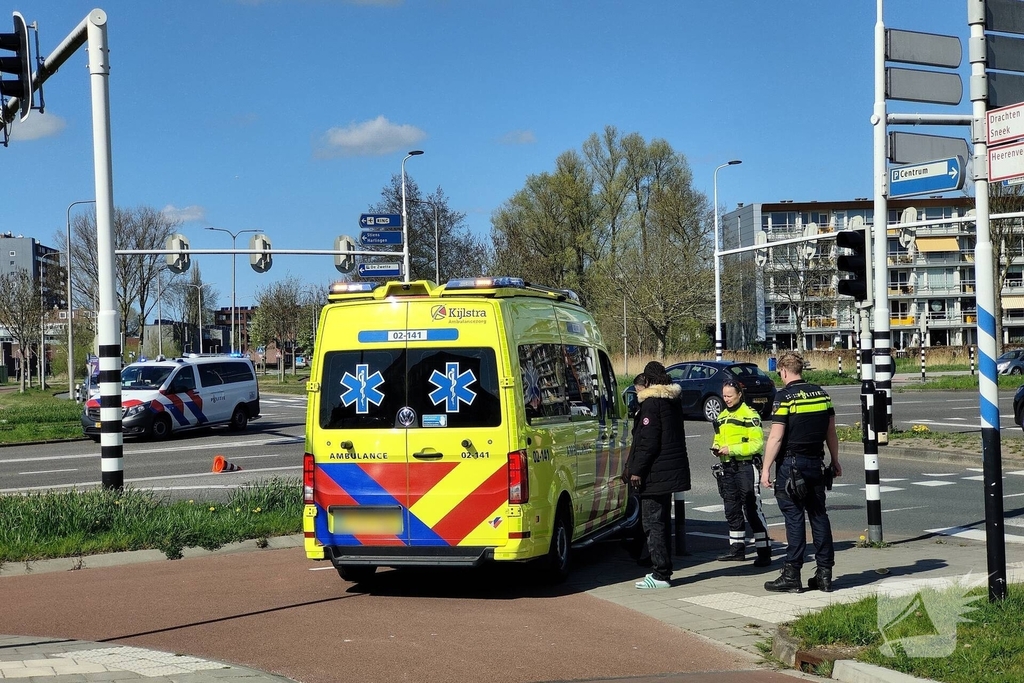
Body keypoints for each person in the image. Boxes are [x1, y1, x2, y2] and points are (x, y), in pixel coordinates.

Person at [760, 353, 842, 593]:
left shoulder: (784, 397)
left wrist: (765, 469)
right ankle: (825, 574)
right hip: (816, 463)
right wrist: (835, 461)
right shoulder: (822, 394)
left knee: (794, 519)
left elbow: (776, 436)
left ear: (784, 371)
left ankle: (792, 574)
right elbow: (831, 433)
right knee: (819, 516)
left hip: (790, 466)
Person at [624, 361, 690, 589]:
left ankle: (660, 574)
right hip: (669, 471)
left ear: (649, 381)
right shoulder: (672, 401)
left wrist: (636, 470)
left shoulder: (652, 404)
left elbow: (647, 441)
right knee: (662, 521)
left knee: (653, 523)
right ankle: (663, 570)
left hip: (655, 472)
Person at [711, 380, 771, 567]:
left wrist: (733, 449)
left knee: (752, 509)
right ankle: (737, 550)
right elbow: (719, 438)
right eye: (724, 396)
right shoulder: (721, 416)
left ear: (739, 395)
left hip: (745, 467)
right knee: (732, 509)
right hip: (727, 468)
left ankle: (764, 552)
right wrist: (717, 448)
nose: (726, 399)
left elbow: (757, 444)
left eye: (729, 395)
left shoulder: (750, 415)